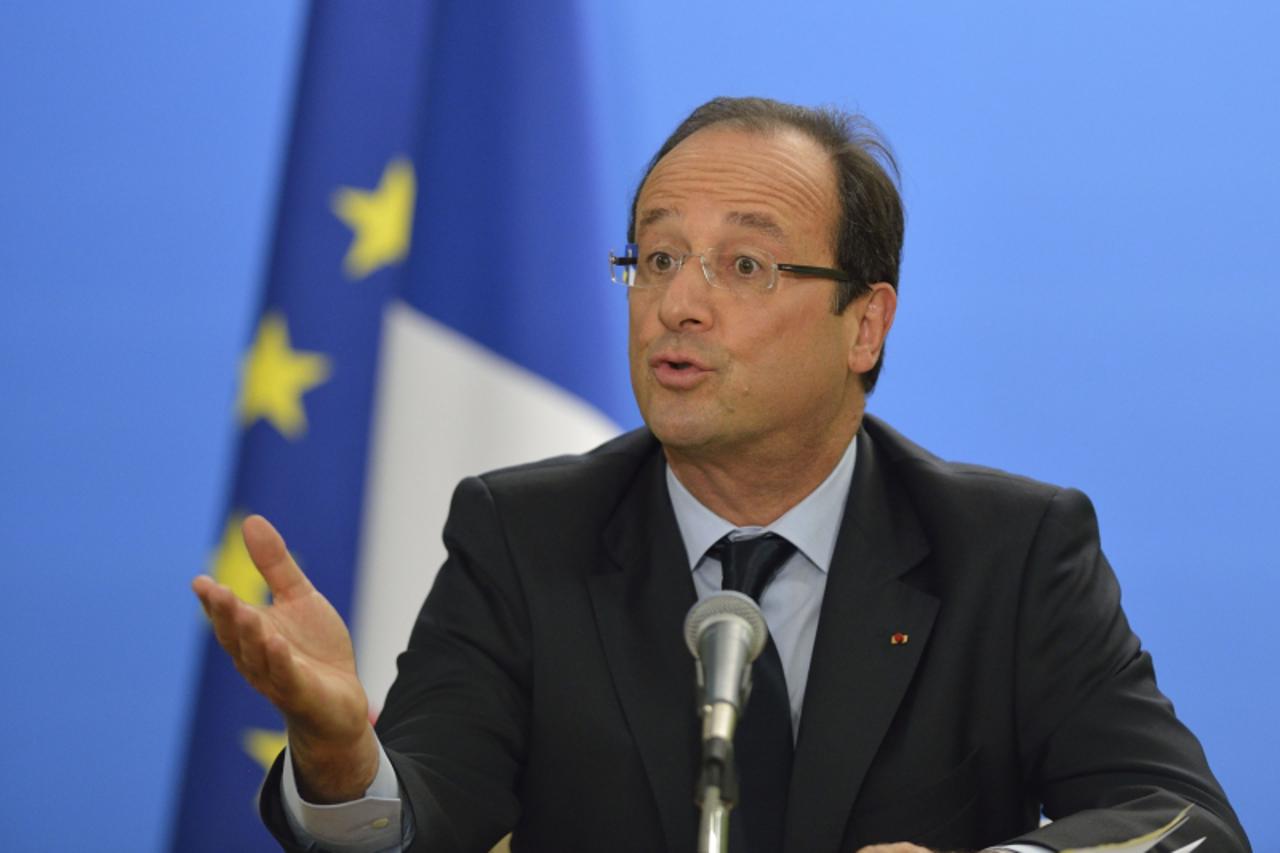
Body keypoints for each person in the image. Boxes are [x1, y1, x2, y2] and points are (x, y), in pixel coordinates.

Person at [193, 97, 1250, 852]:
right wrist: (340, 762)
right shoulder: (523, 536)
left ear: (864, 324)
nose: (676, 304)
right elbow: (420, 821)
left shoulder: (1009, 551)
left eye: (742, 265)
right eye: (654, 257)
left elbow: (1183, 823)